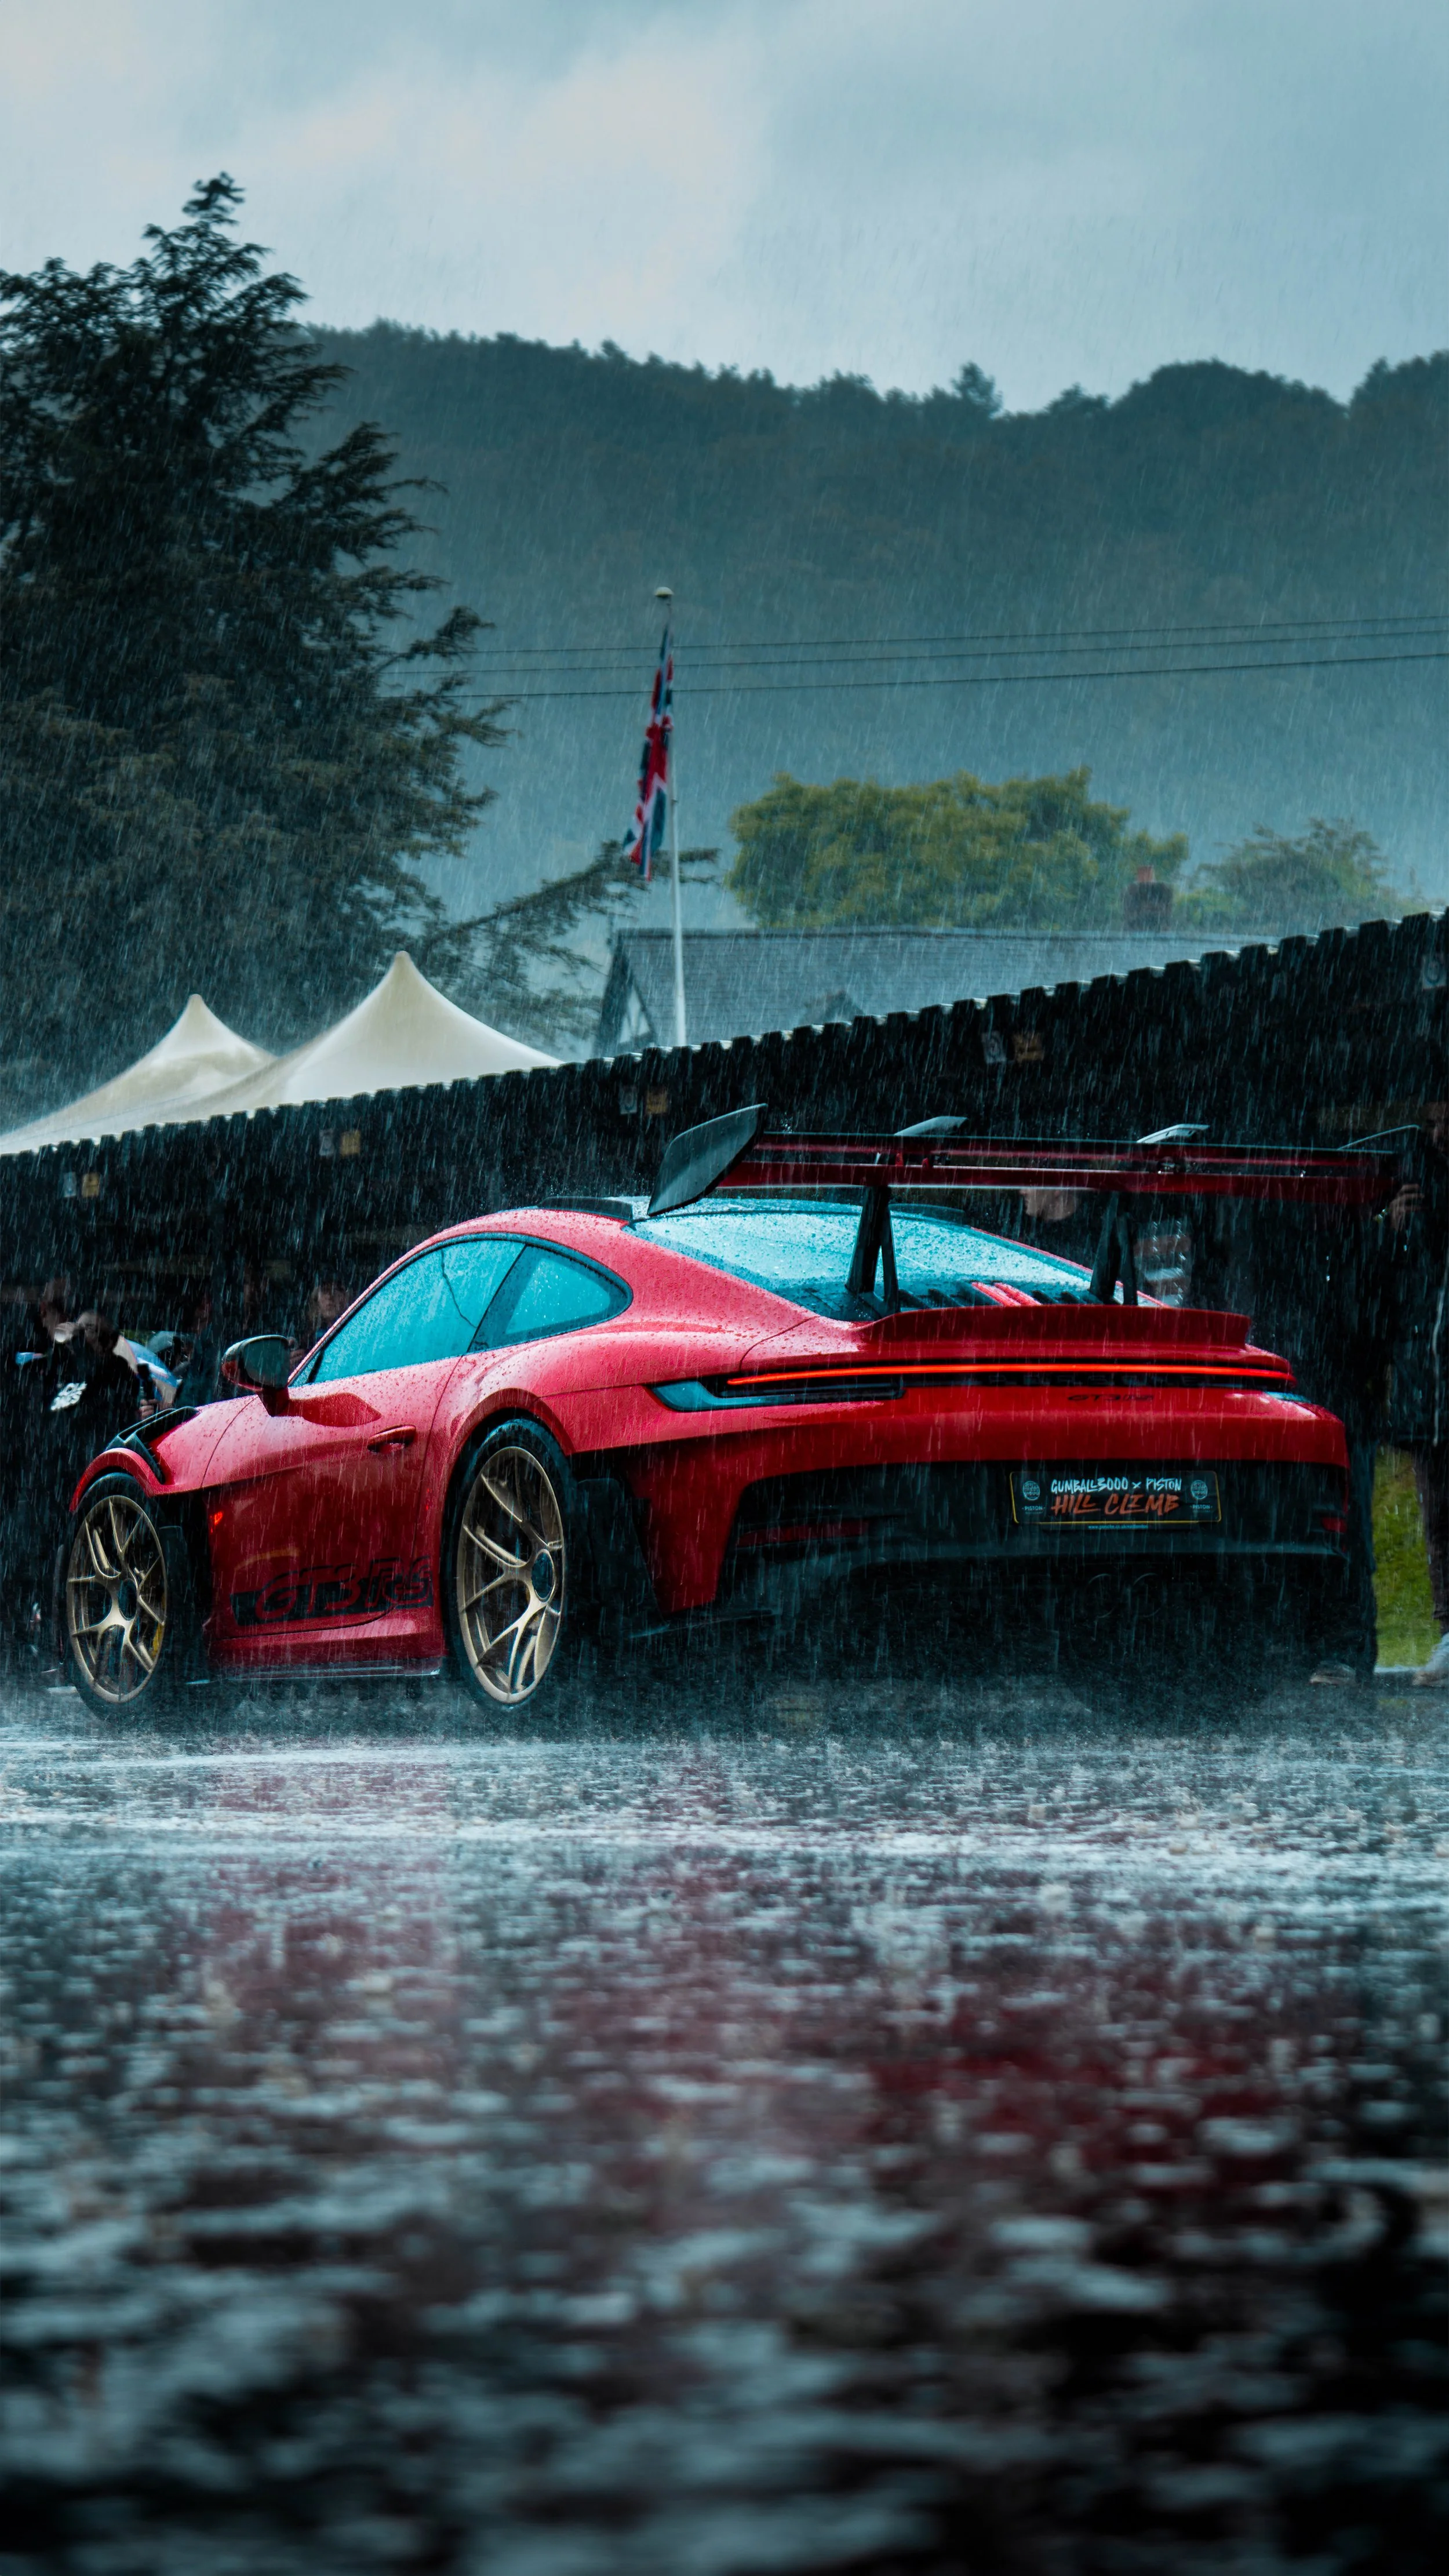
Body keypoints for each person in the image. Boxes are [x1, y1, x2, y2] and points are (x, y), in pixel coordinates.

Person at [1385, 1104, 1449, 1683]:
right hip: (1429, 1387)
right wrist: (1394, 1230)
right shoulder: (1415, 1189)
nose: (1439, 1133)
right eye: (1431, 1124)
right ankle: (1448, 1630)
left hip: (1431, 1378)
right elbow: (1392, 1293)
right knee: (1438, 1512)